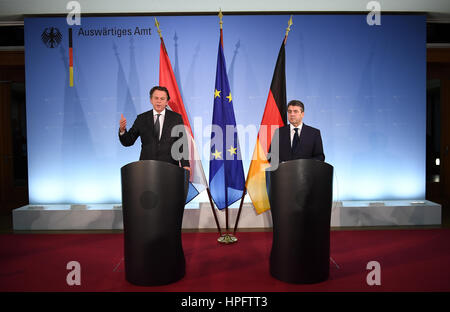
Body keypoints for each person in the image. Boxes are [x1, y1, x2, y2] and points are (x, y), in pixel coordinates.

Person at [119, 86, 190, 171]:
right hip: (146, 168)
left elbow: (181, 143)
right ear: (151, 100)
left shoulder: (176, 118)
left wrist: (185, 165)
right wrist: (122, 130)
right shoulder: (141, 118)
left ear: (167, 102)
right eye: (156, 98)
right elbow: (128, 141)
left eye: (162, 99)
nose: (159, 101)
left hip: (169, 168)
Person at [269, 100, 325, 164]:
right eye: (289, 111)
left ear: (302, 114)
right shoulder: (278, 132)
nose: (292, 114)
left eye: (295, 111)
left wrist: (304, 165)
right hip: (283, 172)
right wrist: (283, 165)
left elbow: (320, 157)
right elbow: (271, 156)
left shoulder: (314, 133)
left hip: (306, 172)